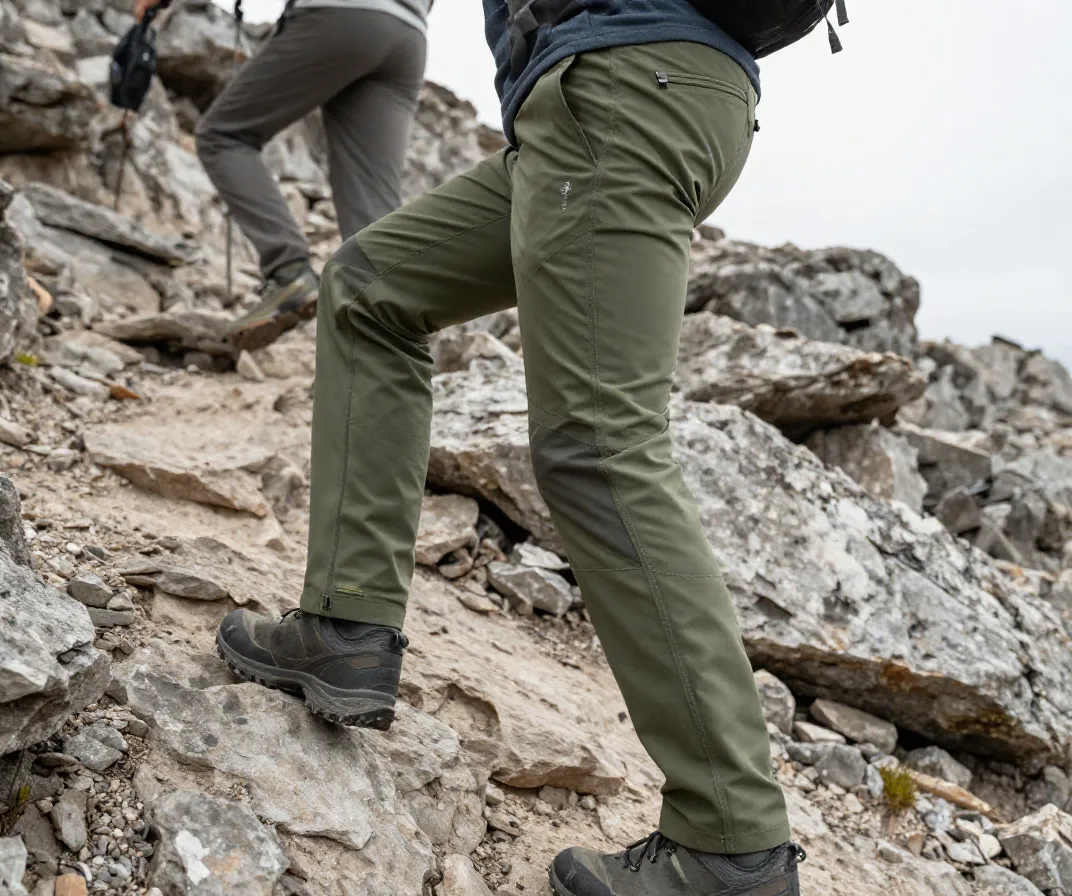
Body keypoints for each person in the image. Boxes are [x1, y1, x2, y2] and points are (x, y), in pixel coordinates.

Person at [215, 0, 810, 893]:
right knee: (370, 286)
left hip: (620, 88)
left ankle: (733, 843)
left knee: (599, 447)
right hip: (611, 97)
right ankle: (345, 627)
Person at [133, 0, 433, 352]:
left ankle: (288, 271)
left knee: (223, 137)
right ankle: (391, 343)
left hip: (339, 14)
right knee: (372, 201)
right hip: (409, 36)